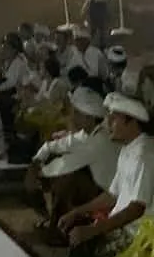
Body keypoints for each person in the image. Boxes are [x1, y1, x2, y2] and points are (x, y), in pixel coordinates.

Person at [59, 94, 154, 257]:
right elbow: (112, 195)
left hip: (146, 236)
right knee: (76, 242)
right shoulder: (128, 148)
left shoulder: (144, 155)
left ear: (131, 122)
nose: (107, 123)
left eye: (113, 118)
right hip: (128, 228)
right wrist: (77, 211)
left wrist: (93, 230)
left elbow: (136, 209)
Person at [26, 87, 117, 244]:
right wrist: (37, 159)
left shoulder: (98, 140)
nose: (73, 116)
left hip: (108, 194)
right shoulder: (88, 134)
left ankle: (59, 230)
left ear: (89, 118)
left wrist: (38, 172)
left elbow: (65, 165)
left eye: (77, 113)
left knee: (66, 180)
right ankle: (54, 220)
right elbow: (54, 145)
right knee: (60, 170)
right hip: (98, 186)